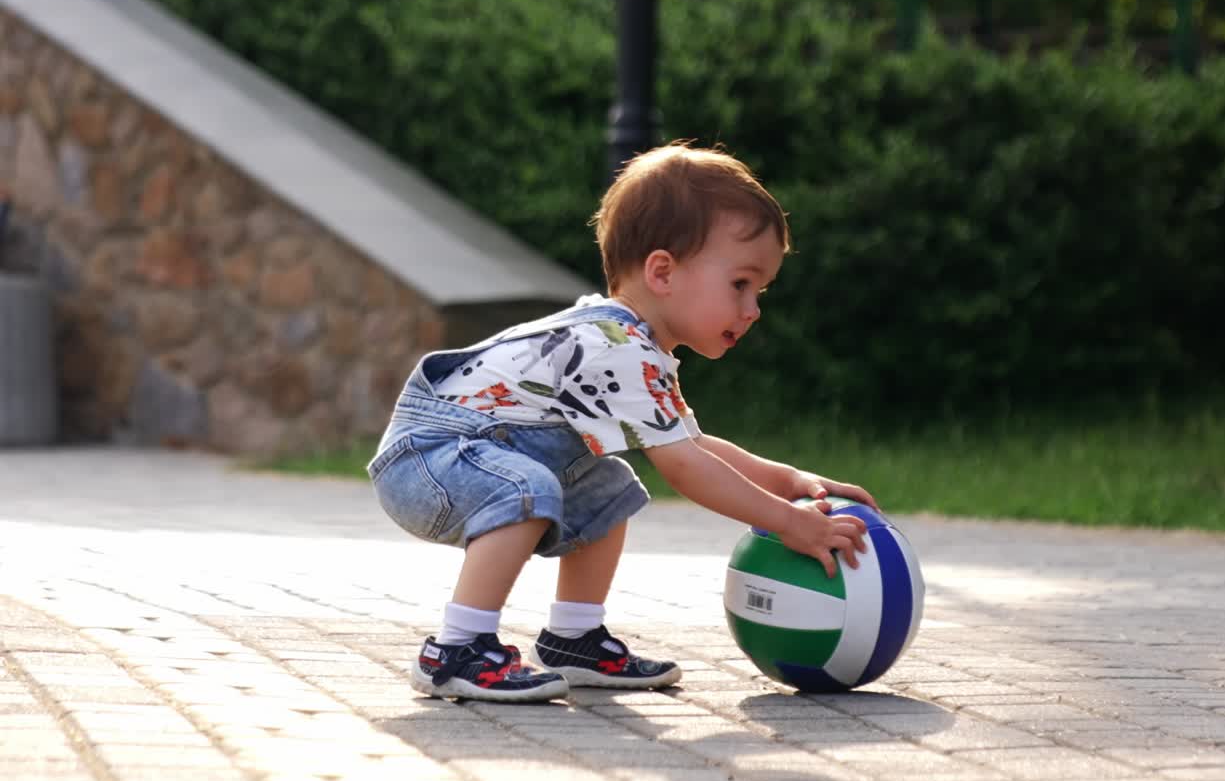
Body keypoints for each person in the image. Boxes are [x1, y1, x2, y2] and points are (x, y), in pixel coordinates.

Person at [368, 141, 877, 702]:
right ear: (662, 272)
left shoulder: (637, 346)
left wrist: (790, 481)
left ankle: (574, 637)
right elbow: (686, 469)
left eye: (760, 291)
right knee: (527, 488)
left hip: (468, 452)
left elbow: (693, 444)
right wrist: (789, 522)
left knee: (609, 489)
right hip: (429, 458)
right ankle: (456, 649)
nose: (753, 308)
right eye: (740, 284)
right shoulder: (616, 345)